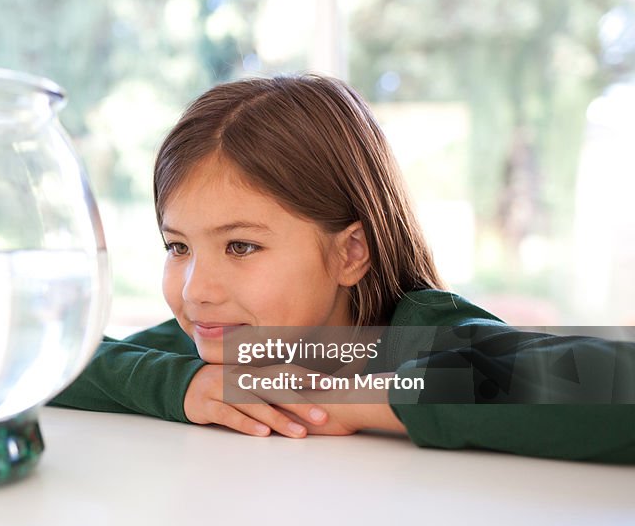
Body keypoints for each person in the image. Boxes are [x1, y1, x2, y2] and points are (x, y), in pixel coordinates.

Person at [48, 74, 635, 463]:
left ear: (350, 253)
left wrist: (357, 393)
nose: (197, 289)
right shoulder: (216, 350)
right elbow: (55, 361)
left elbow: (615, 383)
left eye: (242, 247)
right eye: (178, 247)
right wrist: (180, 387)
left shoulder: (421, 336)